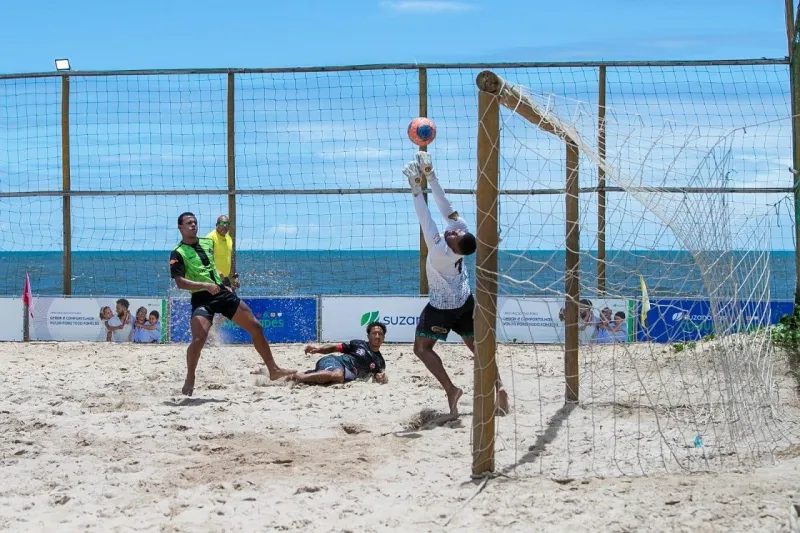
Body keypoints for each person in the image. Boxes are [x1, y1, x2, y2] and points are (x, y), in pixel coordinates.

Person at [402, 151, 509, 417]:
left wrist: (416, 191)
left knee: (421, 348)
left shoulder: (440, 253)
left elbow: (426, 219)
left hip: (442, 307)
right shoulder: (460, 235)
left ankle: (451, 389)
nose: (451, 230)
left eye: (453, 235)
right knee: (477, 348)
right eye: (455, 230)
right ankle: (501, 389)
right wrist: (430, 175)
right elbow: (444, 206)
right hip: (465, 301)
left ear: (454, 247)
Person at [170, 212, 295, 395]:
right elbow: (180, 282)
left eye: (195, 222)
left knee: (256, 326)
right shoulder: (178, 252)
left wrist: (227, 281)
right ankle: (190, 376)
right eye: (189, 223)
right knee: (199, 339)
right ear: (180, 227)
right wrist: (205, 284)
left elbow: (216, 265)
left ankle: (273, 370)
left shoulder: (207, 243)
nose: (194, 225)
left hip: (221, 292)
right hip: (201, 297)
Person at [283, 322, 388, 386]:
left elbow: (378, 377)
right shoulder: (358, 344)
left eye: (380, 334)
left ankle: (292, 376)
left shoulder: (380, 361)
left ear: (384, 337)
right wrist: (318, 350)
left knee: (334, 377)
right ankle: (300, 377)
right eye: (374, 333)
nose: (377, 336)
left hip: (344, 374)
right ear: (368, 336)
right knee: (338, 375)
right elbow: (334, 348)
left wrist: (382, 378)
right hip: (336, 361)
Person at [206, 214, 239, 290]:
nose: (224, 226)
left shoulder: (229, 239)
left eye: (227, 224)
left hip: (224, 278)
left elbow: (231, 258)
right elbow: (205, 259)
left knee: (232, 300)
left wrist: (235, 276)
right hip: (212, 279)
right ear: (216, 225)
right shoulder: (210, 238)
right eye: (222, 223)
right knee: (231, 300)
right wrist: (215, 271)